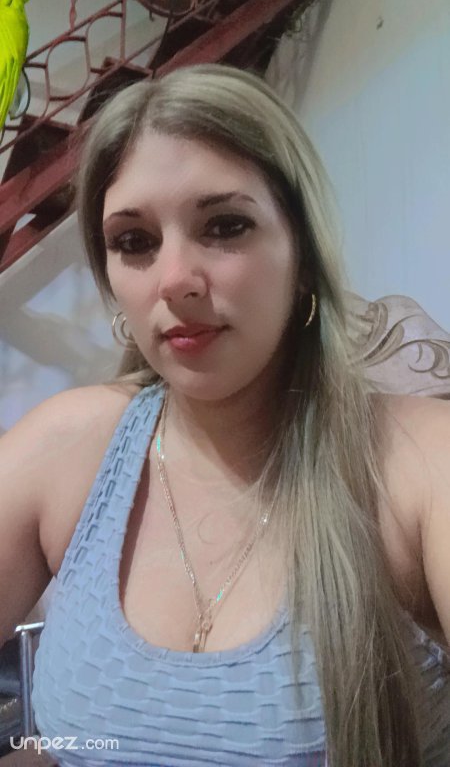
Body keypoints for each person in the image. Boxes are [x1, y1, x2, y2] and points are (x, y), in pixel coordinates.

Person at [0, 64, 449, 767]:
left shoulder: (417, 464)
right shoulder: (68, 445)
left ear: (302, 252)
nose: (174, 280)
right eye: (134, 242)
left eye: (224, 226)